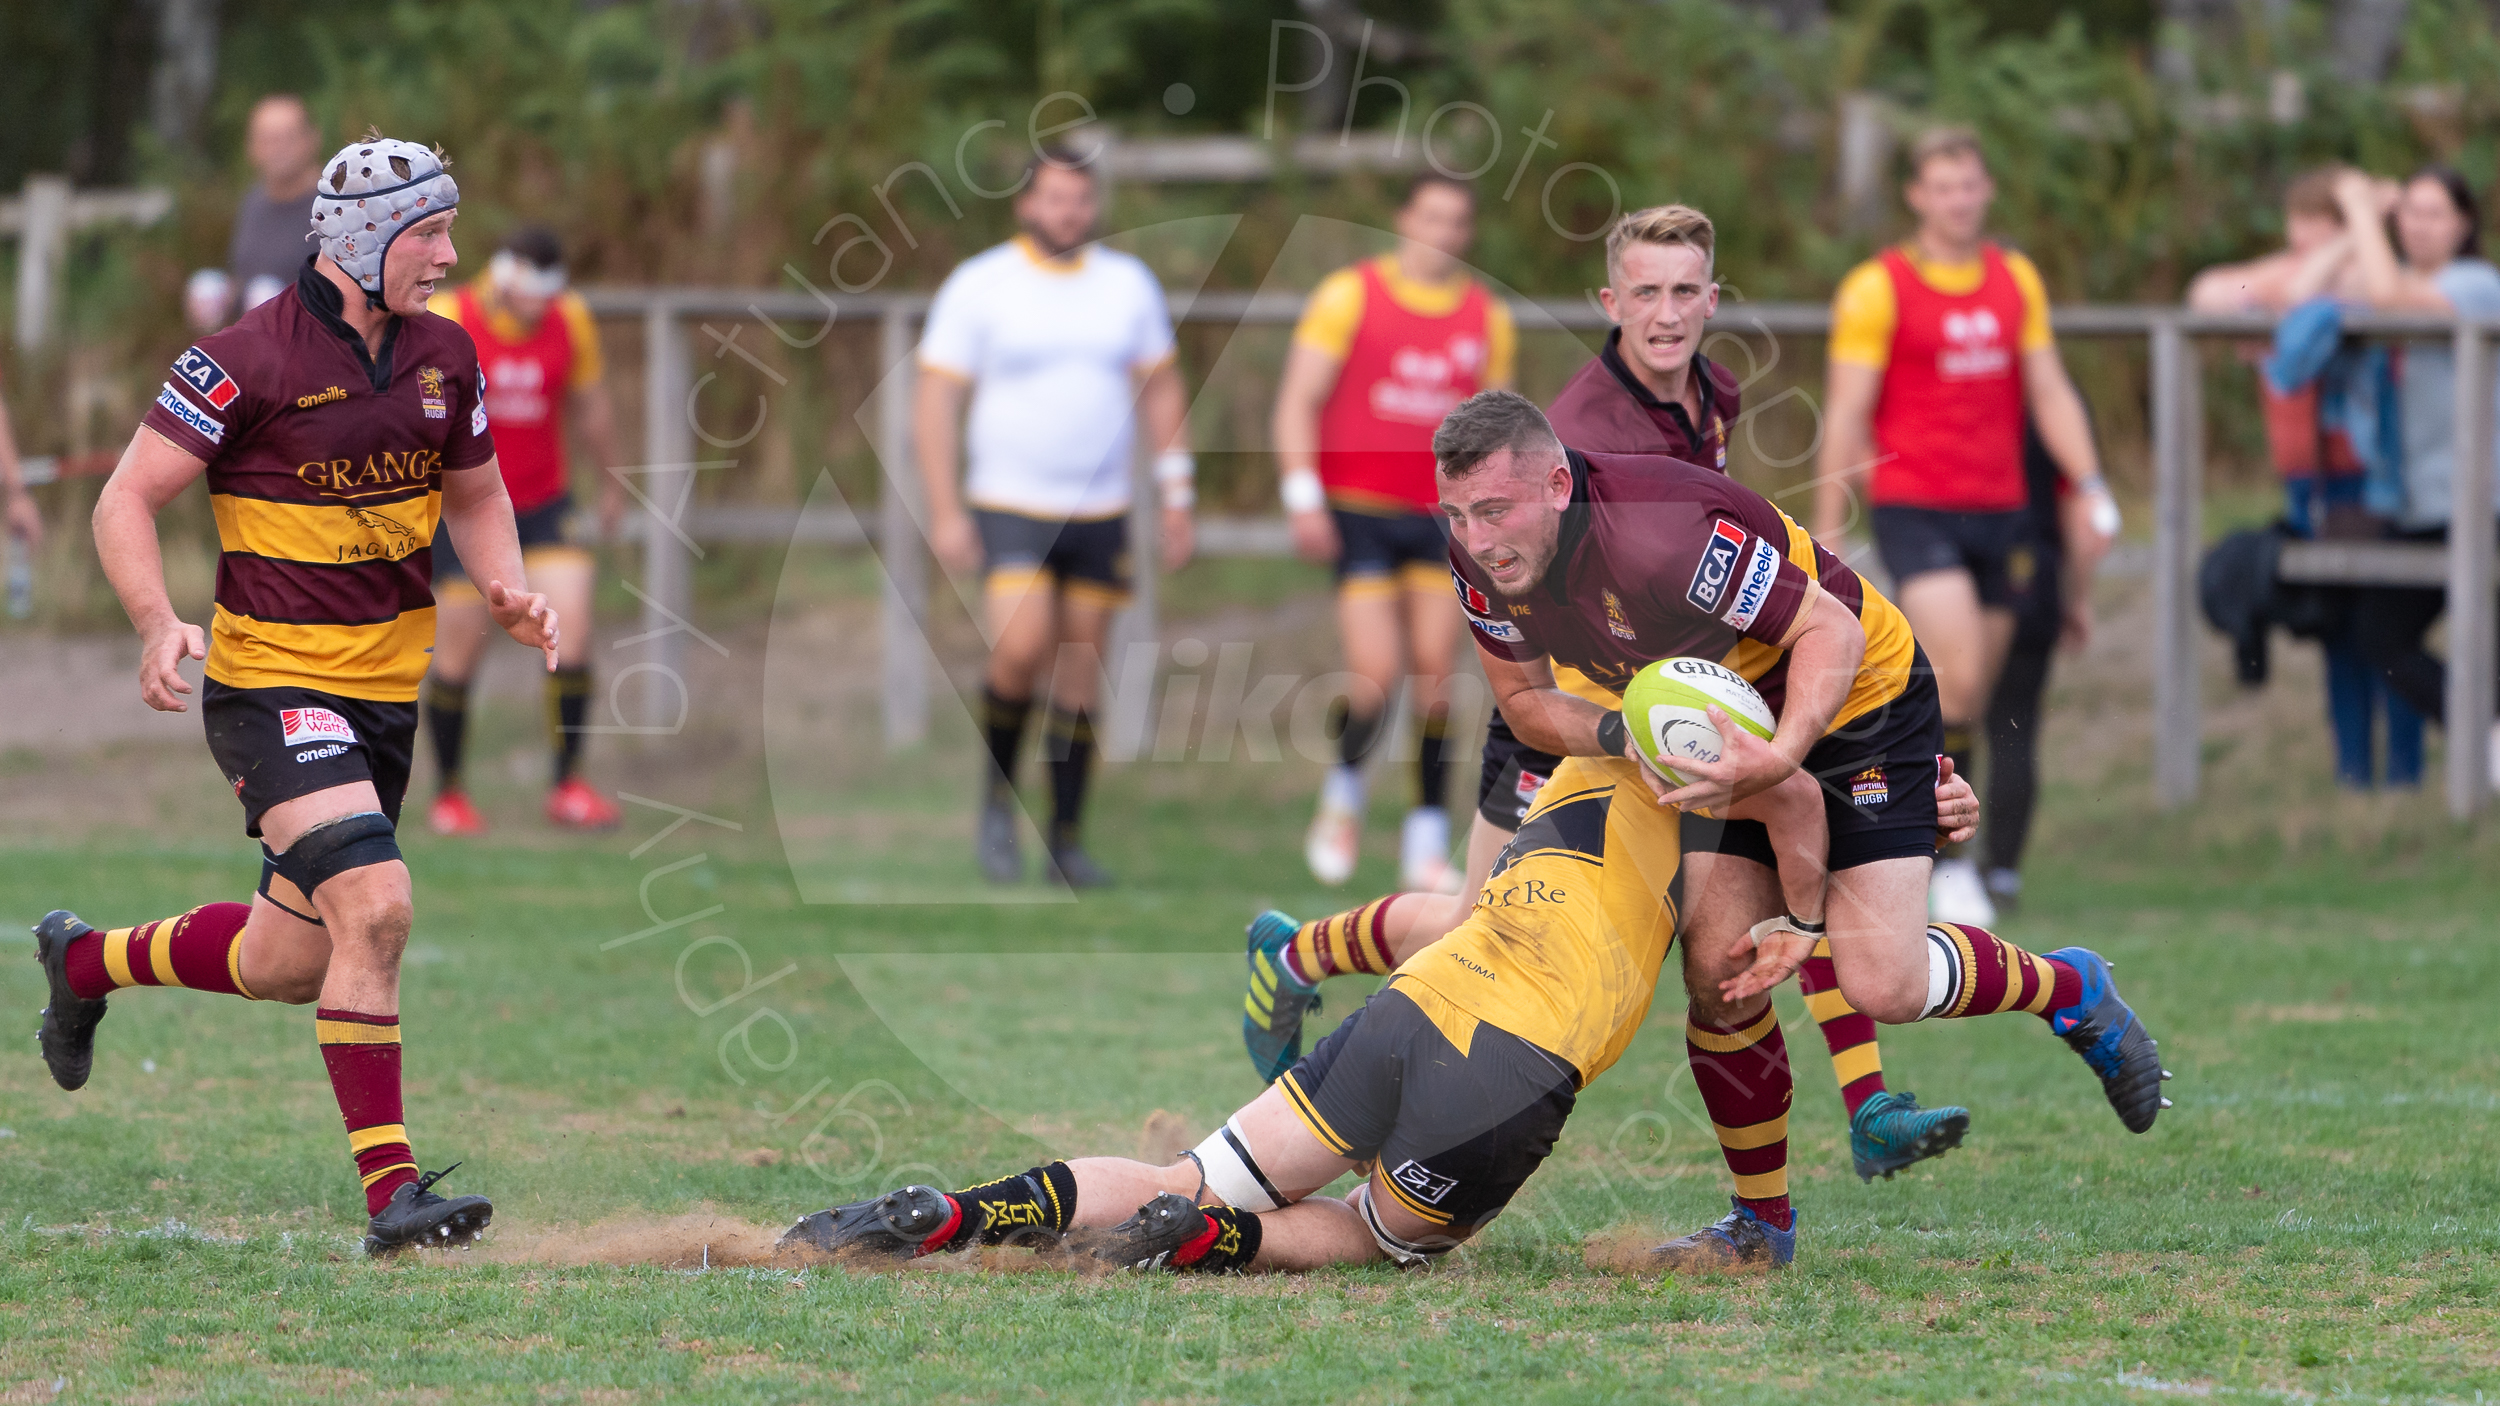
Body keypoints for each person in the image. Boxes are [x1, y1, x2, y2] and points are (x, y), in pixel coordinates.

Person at [1244, 206, 1975, 1187]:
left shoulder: (1712, 392)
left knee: (1774, 860)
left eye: (1684, 291)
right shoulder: (1581, 433)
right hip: (1572, 699)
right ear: (1610, 303)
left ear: (1711, 300)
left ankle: (1865, 1097)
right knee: (1478, 926)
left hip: (1653, 691)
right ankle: (1296, 956)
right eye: (1645, 293)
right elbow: (1552, 628)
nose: (1665, 313)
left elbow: (1731, 570)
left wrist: (1874, 750)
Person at [1444, 392, 2163, 1269]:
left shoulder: (1666, 535)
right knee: (1723, 973)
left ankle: (2069, 989)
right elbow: (1523, 701)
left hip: (1859, 699)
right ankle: (1761, 1229)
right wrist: (1622, 736)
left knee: (1882, 983)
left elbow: (1833, 626)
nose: (1477, 539)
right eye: (1457, 515)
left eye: (1493, 511)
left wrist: (1779, 760)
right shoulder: (1482, 558)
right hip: (1732, 730)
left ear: (1558, 485)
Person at [34, 134, 550, 1255]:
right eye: (429, 235)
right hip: (271, 687)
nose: (448, 255)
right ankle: (393, 1194)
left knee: (293, 960)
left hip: (384, 699)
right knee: (378, 905)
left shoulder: (444, 357)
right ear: (363, 242)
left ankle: (83, 960)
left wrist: (505, 585)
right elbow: (123, 499)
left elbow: (476, 494)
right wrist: (155, 619)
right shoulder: (241, 360)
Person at [1812, 126, 2119, 927]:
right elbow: (1846, 413)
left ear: (1986, 190)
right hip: (1916, 505)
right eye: (1941, 186)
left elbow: (2048, 390)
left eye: (1969, 184)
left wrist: (2086, 485)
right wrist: (1827, 533)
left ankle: (1944, 847)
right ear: (1917, 196)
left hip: (2004, 513)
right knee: (1954, 678)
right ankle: (1940, 866)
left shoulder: (2014, 279)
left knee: (1970, 702)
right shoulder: (1878, 288)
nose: (1958, 199)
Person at [918, 148, 1195, 887]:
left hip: (1100, 510)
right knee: (1019, 647)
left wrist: (1177, 489)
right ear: (1026, 205)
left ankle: (1065, 841)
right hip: (1011, 503)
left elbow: (1162, 388)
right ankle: (995, 807)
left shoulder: (1126, 286)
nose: (1068, 213)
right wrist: (945, 507)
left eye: (1080, 200)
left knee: (1078, 674)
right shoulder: (982, 285)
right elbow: (935, 400)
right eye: (1054, 199)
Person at [1275, 174, 1516, 891]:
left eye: (1455, 222)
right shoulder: (1350, 295)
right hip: (1359, 510)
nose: (1440, 233)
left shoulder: (1485, 317)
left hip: (1438, 520)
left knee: (1436, 678)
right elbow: (1297, 400)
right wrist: (1302, 496)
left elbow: (1493, 430)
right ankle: (1342, 798)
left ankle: (1426, 839)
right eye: (1429, 216)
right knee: (1375, 674)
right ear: (1404, 219)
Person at [2186, 167, 2421, 792]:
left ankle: (2404, 775)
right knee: (2333, 628)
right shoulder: (2298, 271)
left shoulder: (2365, 277)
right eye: (2296, 226)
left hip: (2369, 482)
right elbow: (2208, 294)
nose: (2301, 240)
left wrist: (2354, 233)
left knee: (2384, 628)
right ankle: (2352, 774)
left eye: (2317, 224)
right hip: (2308, 485)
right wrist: (2339, 234)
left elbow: (2310, 295)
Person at [423, 225, 625, 833]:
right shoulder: (449, 315)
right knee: (459, 648)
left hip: (542, 505)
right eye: (532, 289)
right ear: (505, 275)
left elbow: (591, 405)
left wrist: (612, 482)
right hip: (462, 512)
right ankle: (450, 793)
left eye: (551, 291)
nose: (542, 304)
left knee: (574, 631)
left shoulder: (571, 319)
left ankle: (567, 784)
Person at [2319, 166, 2500, 773]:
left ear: (2464, 224)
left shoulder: (2475, 283)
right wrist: (2356, 223)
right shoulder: (2383, 273)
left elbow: (2393, 302)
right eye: (2410, 211)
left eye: (2434, 213)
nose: (2418, 226)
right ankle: (2484, 742)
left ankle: (2483, 762)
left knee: (2488, 649)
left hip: (2482, 498)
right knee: (2380, 636)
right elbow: (2287, 298)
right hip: (2419, 501)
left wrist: (2365, 215)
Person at [1979, 421, 2112, 911]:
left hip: (1962, 576)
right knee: (2015, 728)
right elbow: (2080, 516)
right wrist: (2077, 597)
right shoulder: (2057, 407)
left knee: (1947, 723)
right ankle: (2003, 872)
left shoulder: (1956, 386)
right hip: (2030, 578)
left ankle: (1945, 869)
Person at [229, 95, 325, 316]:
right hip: (259, 343)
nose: (277, 150)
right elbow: (244, 277)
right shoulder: (252, 203)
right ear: (250, 147)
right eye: (267, 140)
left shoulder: (337, 206)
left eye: (287, 139)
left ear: (312, 139)